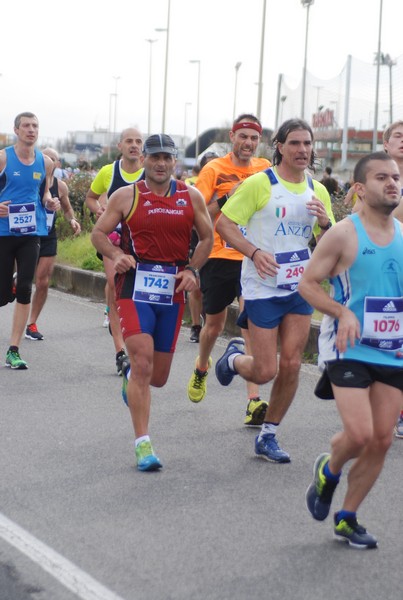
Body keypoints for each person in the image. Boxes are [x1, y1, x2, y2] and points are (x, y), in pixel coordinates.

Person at [298, 152, 403, 549]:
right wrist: (342, 312)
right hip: (348, 346)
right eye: (381, 177)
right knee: (359, 434)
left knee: (381, 440)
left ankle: (347, 516)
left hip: (392, 350)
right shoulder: (344, 233)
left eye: (395, 177)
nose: (392, 183)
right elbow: (308, 284)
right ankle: (331, 467)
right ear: (359, 188)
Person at [91, 134, 213, 471]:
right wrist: (117, 254)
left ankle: (131, 377)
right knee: (143, 364)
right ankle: (143, 445)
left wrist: (192, 270)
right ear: (143, 158)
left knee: (156, 378)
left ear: (175, 162)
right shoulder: (126, 195)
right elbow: (98, 234)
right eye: (154, 156)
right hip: (134, 286)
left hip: (171, 290)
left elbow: (207, 239)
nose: (160, 163)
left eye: (167, 158)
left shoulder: (192, 196)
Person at [214, 118, 335, 462]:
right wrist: (253, 251)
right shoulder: (259, 184)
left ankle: (269, 434)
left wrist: (326, 223)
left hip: (299, 286)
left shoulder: (318, 191)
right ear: (280, 146)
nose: (302, 150)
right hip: (262, 286)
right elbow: (223, 224)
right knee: (265, 369)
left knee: (293, 364)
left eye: (307, 144)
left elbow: (330, 244)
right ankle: (234, 359)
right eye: (294, 143)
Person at [187, 114, 271, 427]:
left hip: (254, 256)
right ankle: (201, 367)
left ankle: (253, 401)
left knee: (251, 326)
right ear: (232, 137)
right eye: (243, 137)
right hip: (220, 254)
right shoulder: (215, 169)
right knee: (215, 325)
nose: (248, 143)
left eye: (253, 138)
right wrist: (230, 194)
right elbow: (201, 214)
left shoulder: (265, 169)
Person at [0, 112, 59, 369]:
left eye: (35, 126)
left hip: (31, 232)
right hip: (3, 232)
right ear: (16, 130)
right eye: (26, 126)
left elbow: (44, 191)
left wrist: (50, 201)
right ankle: (6, 288)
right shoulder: (3, 157)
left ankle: (14, 349)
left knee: (25, 286)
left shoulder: (45, 163)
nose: (31, 130)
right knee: (2, 294)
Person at [85, 128, 144, 375]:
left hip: (141, 240)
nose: (134, 145)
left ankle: (132, 335)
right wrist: (98, 210)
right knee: (115, 283)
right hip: (113, 238)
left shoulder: (149, 172)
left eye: (138, 141)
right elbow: (90, 197)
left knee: (135, 293)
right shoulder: (109, 171)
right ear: (120, 145)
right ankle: (121, 351)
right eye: (129, 141)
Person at [25, 148, 81, 340]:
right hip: (26, 235)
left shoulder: (61, 186)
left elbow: (67, 209)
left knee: (42, 281)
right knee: (21, 279)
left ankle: (31, 323)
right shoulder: (30, 180)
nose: (50, 161)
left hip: (48, 236)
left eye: (54, 159)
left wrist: (72, 220)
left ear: (57, 164)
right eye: (46, 157)